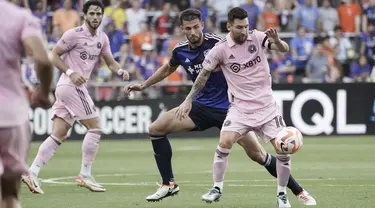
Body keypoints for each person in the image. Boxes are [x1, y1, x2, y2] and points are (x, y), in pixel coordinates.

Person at [125, 8, 316, 206]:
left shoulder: (219, 43)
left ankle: (298, 190)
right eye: (188, 28)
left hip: (230, 108)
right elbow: (168, 68)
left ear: (202, 25)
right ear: (182, 29)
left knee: (258, 155)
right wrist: (144, 85)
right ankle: (168, 184)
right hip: (200, 106)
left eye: (196, 27)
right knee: (156, 129)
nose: (193, 32)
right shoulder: (180, 50)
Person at [176, 7, 304, 208]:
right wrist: (189, 99)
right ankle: (216, 188)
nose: (244, 31)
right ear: (229, 26)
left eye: (246, 26)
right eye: (239, 27)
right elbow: (203, 76)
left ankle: (282, 195)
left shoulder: (258, 37)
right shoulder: (220, 49)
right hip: (240, 108)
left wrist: (277, 40)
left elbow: (283, 49)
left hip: (266, 106)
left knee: (281, 149)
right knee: (224, 141)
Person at [22, 0, 130, 194]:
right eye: (92, 14)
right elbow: (53, 56)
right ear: (85, 15)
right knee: (95, 128)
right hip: (71, 85)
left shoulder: (102, 38)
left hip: (68, 88)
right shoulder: (73, 34)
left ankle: (32, 172)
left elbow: (110, 62)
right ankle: (85, 175)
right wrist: (71, 71)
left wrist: (120, 70)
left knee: (59, 133)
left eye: (99, 14)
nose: (96, 17)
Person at [0, 0, 54, 207]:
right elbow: (43, 60)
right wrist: (44, 93)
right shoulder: (20, 17)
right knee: (10, 195)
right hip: (10, 116)